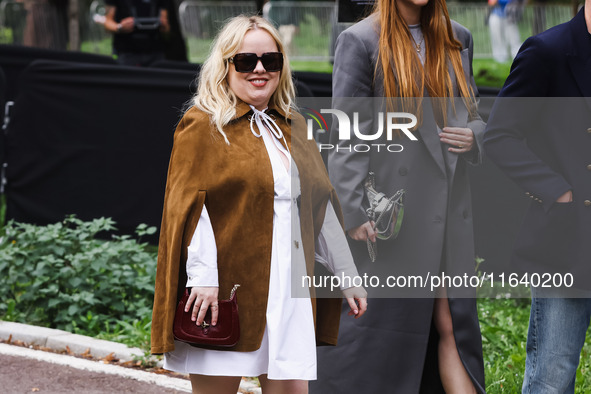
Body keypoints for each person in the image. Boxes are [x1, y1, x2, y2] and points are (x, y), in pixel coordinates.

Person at [150, 15, 367, 394]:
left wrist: (346, 271)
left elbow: (319, 203)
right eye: (246, 61)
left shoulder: (294, 125)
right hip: (228, 288)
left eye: (272, 60)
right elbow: (188, 208)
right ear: (226, 65)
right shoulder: (202, 124)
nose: (260, 69)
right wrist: (203, 279)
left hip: (290, 288)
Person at [310, 0, 487, 392]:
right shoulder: (360, 40)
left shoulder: (458, 37)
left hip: (447, 212)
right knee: (373, 341)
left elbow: (472, 111)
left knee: (453, 325)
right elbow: (348, 131)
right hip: (390, 217)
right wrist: (352, 211)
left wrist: (476, 136)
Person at [483, 3, 591, 393]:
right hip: (569, 240)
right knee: (551, 373)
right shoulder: (547, 50)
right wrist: (556, 191)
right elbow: (500, 136)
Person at [103, 0, 170, 66]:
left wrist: (164, 24)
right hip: (126, 51)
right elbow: (107, 23)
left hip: (155, 51)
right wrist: (120, 27)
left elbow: (166, 28)